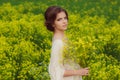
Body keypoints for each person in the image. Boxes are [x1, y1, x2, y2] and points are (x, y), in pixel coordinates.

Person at [44, 6, 89, 80]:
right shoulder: (58, 43)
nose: (64, 21)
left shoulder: (64, 37)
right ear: (52, 24)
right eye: (59, 19)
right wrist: (78, 72)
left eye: (65, 18)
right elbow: (55, 71)